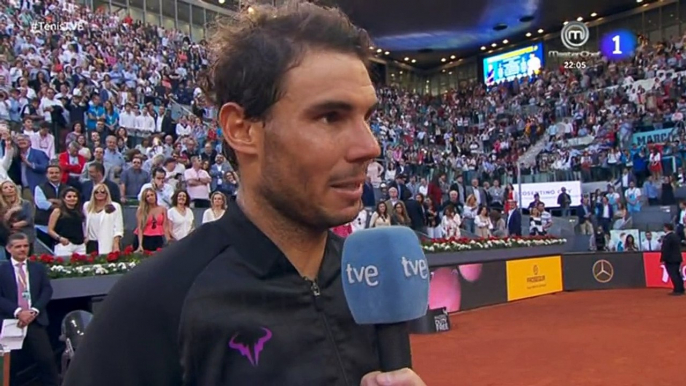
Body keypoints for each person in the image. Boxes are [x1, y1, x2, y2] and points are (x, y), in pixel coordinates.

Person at [63, 3, 426, 385]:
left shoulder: (366, 282)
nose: (369, 147)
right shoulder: (154, 303)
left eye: (367, 118)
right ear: (242, 129)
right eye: (330, 117)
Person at [0, 233, 59, 386]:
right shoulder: (2, 269)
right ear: (9, 248)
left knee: (46, 360)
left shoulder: (37, 268)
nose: (22, 249)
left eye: (25, 246)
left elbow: (46, 291)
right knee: (9, 364)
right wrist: (18, 312)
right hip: (11, 321)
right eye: (18, 246)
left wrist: (33, 311)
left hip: (35, 321)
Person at [84, 184, 124, 254]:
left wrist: (115, 244)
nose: (99, 194)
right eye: (96, 192)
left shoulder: (115, 206)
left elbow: (118, 228)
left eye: (102, 192)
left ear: (107, 193)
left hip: (106, 242)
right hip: (91, 242)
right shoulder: (87, 206)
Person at [47, 187, 86, 257]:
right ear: (64, 199)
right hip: (64, 245)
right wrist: (60, 238)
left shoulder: (80, 211)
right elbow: (50, 230)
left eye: (74, 196)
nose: (72, 198)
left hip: (80, 245)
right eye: (69, 196)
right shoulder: (58, 211)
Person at [134, 187, 169, 252]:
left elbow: (165, 227)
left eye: (152, 195)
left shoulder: (163, 209)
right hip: (144, 237)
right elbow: (140, 228)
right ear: (145, 199)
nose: (150, 197)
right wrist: (140, 245)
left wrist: (168, 240)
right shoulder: (141, 210)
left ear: (155, 196)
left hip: (158, 237)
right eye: (148, 196)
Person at [660, 223, 684, 296]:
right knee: (677, 274)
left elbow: (665, 249)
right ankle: (681, 288)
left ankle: (677, 290)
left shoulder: (668, 237)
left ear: (666, 228)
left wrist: (663, 259)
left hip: (670, 259)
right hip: (677, 258)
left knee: (673, 274)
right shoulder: (676, 236)